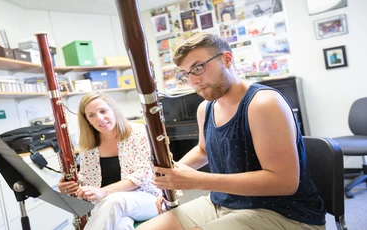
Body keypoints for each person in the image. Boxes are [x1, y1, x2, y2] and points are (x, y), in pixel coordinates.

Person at [137, 32, 326, 230]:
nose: (193, 81)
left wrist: (199, 180)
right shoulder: (206, 108)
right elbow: (203, 150)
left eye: (198, 68)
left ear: (227, 59)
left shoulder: (263, 103)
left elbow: (285, 183)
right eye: (186, 74)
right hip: (224, 202)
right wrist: (173, 175)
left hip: (282, 212)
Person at [58, 92, 160, 230]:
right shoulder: (88, 144)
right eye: (92, 115)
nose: (99, 118)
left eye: (103, 111)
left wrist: (104, 192)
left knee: (114, 200)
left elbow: (142, 175)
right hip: (107, 205)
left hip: (146, 199)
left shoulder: (138, 132)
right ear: (87, 120)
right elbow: (88, 178)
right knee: (120, 226)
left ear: (114, 110)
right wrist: (72, 184)